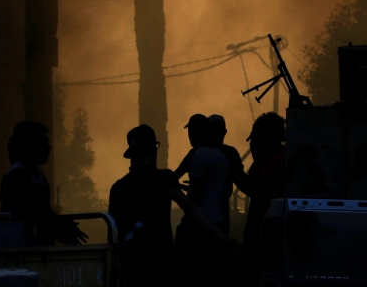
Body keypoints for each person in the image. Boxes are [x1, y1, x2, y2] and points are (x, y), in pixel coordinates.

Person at [108, 125, 231, 287]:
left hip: (132, 263)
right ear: (152, 150)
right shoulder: (164, 178)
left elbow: (113, 230)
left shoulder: (118, 187)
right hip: (161, 260)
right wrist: (218, 234)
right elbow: (190, 207)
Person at [0, 121, 86, 247]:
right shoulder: (17, 175)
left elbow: (44, 211)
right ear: (29, 144)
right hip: (19, 246)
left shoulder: (38, 174)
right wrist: (60, 226)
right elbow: (30, 213)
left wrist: (61, 224)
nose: (49, 147)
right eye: (44, 142)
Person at [175, 114, 235, 284]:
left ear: (194, 133)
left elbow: (196, 198)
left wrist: (189, 216)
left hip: (200, 228)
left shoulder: (198, 156)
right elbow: (227, 190)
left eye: (191, 132)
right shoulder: (221, 156)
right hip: (219, 222)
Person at [242, 113, 287, 268]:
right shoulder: (281, 157)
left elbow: (253, 189)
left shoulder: (272, 162)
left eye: (254, 139)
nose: (252, 145)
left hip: (268, 225)